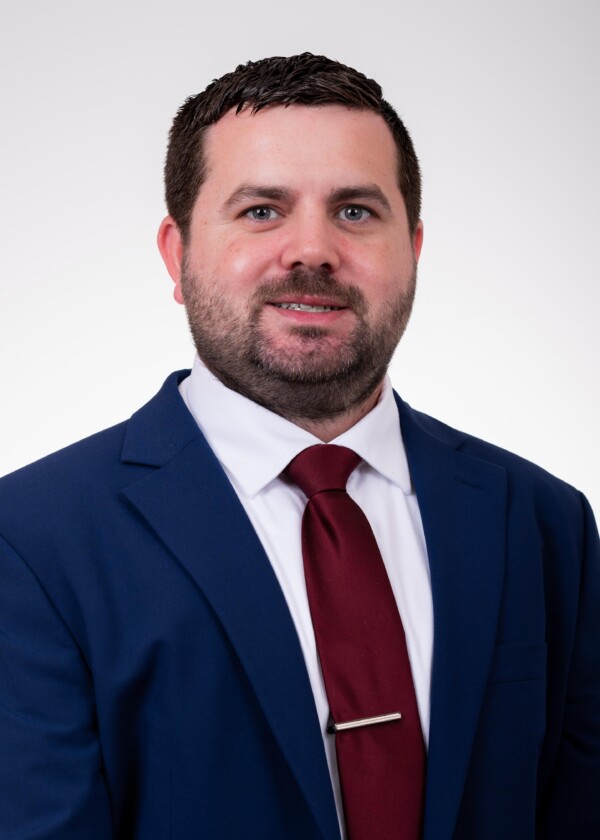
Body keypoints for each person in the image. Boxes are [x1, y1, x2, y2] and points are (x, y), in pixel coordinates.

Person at [0, 53, 598, 840]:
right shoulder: (31, 539)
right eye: (260, 210)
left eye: (355, 211)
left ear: (413, 249)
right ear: (176, 256)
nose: (310, 250)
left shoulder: (543, 521)